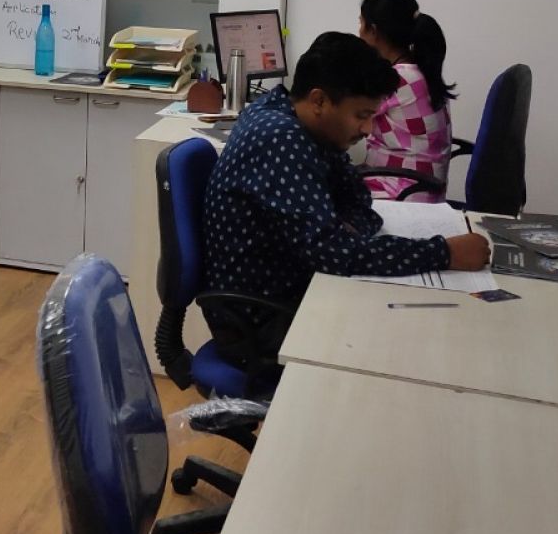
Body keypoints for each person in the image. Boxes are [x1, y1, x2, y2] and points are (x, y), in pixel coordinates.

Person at [200, 31, 489, 376]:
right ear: (319, 101)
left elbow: (358, 199)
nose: (368, 129)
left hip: (298, 290)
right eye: (361, 115)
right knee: (412, 342)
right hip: (265, 321)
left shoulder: (297, 118)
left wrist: (344, 233)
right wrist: (444, 253)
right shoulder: (281, 139)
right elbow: (336, 253)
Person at [357, 0, 455, 202]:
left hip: (401, 191)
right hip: (420, 187)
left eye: (361, 24)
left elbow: (349, 113)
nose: (359, 33)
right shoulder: (420, 70)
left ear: (373, 31)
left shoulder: (399, 78)